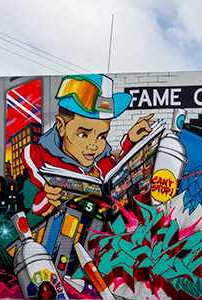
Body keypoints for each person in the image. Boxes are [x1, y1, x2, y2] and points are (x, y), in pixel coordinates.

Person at [23, 75, 153, 215]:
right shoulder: (39, 157)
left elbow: (120, 178)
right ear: (61, 126)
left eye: (102, 136)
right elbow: (34, 207)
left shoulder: (103, 160)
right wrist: (48, 198)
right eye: (83, 135)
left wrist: (131, 141)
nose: (94, 146)